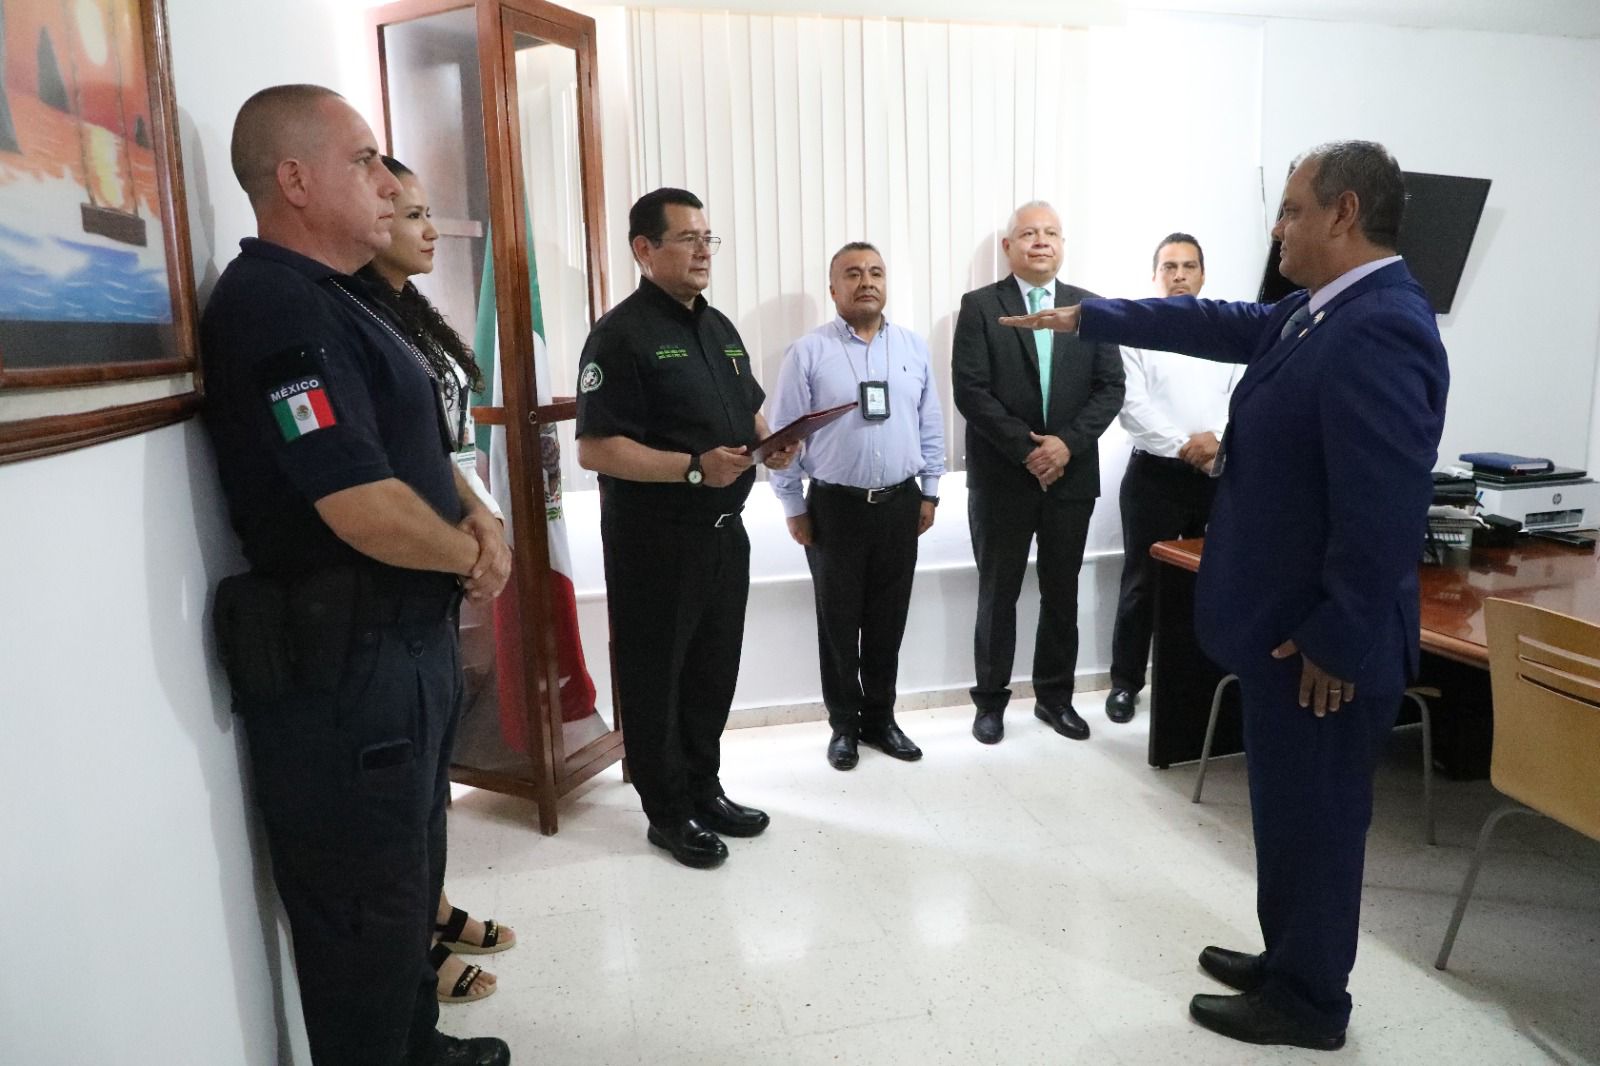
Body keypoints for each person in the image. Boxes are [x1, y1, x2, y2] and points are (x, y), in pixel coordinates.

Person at [1002, 141, 1448, 1050]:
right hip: (1285, 629)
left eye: (1289, 209)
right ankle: (1290, 958)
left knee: (1318, 825)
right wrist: (1092, 318)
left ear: (1343, 212)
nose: (1276, 227)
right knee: (1288, 815)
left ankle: (1311, 1003)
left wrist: (1338, 634)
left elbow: (1386, 505)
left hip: (1320, 646)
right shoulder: (1315, 312)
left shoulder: (1386, 322)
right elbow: (1214, 322)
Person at [201, 84, 512, 1066]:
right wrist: (469, 553)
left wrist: (476, 513)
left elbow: (408, 446)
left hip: (396, 651)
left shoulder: (344, 300)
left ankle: (420, 1048)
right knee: (366, 919)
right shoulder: (274, 306)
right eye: (364, 160)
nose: (386, 181)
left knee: (408, 883)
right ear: (293, 180)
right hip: (348, 669)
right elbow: (355, 503)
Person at [574, 187, 798, 870]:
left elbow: (749, 410)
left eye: (709, 238)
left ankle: (705, 787)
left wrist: (774, 441)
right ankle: (667, 813)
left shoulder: (718, 326)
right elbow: (597, 448)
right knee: (656, 677)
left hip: (725, 532)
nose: (704, 250)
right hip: (656, 540)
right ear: (645, 250)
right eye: (687, 238)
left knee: (711, 672)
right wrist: (694, 469)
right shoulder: (620, 335)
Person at [358, 155, 519, 1006]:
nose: (431, 229)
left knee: (430, 777)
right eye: (413, 214)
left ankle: (436, 901)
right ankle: (415, 935)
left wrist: (485, 520)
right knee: (411, 776)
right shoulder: (351, 312)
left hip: (455, 529)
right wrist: (468, 542)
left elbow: (444, 441)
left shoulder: (405, 312)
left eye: (430, 212)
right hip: (407, 568)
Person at [951, 201, 1125, 746]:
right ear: (1009, 247)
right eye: (1029, 233)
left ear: (1063, 244)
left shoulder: (1091, 309)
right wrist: (1027, 451)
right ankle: (990, 704)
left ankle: (1055, 699)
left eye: (1051, 233)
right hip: (1003, 476)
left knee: (1061, 593)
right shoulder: (980, 306)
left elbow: (1110, 388)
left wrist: (1065, 446)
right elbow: (970, 390)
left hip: (1071, 478)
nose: (1041, 241)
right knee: (997, 593)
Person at [769, 242, 945, 771]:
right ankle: (844, 726)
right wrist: (792, 506)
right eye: (852, 274)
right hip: (834, 510)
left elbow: (930, 423)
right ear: (834, 289)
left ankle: (882, 720)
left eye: (875, 272)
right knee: (839, 624)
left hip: (900, 504)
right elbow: (785, 439)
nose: (865, 281)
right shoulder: (807, 353)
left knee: (889, 621)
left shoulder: (913, 349)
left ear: (886, 283)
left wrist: (931, 490)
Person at [1103, 233, 1236, 725]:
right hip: (1154, 476)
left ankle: (1199, 682)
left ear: (1203, 275)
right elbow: (1132, 406)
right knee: (1142, 581)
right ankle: (1125, 685)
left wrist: (1216, 440)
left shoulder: (1226, 333)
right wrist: (1188, 446)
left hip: (1217, 475)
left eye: (1188, 266)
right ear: (1155, 276)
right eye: (1169, 266)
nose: (1179, 274)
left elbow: (1240, 397)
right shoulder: (1137, 331)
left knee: (1212, 582)